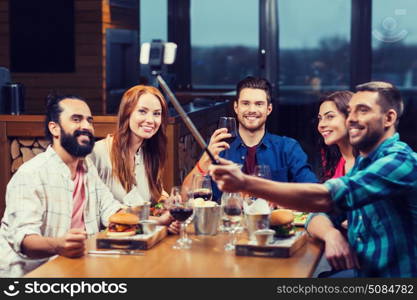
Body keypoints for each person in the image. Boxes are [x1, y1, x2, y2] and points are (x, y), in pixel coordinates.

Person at [210, 81, 417, 277]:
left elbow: (325, 197)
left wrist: (245, 183)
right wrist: (330, 233)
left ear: (389, 118)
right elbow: (318, 213)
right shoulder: (365, 163)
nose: (351, 118)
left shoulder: (400, 160)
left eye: (362, 110)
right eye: (350, 111)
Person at [0, 94, 123, 277]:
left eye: (89, 121)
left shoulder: (87, 167)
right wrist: (59, 245)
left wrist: (150, 220)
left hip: (78, 268)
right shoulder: (31, 174)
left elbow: (112, 211)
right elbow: (25, 240)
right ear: (54, 128)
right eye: (76, 119)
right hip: (32, 276)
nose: (86, 126)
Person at [183, 76, 317, 202]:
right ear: (236, 107)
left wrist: (279, 199)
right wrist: (206, 159)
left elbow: (313, 192)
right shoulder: (219, 148)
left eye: (259, 104)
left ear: (268, 109)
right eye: (246, 103)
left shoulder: (288, 148)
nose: (252, 110)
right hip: (226, 223)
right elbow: (185, 197)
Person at [89, 85, 179, 233]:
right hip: (107, 242)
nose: (151, 120)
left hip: (140, 239)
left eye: (157, 114)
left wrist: (164, 205)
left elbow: (155, 198)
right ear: (127, 113)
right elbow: (97, 209)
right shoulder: (98, 153)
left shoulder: (148, 153)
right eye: (142, 111)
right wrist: (157, 221)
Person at [306, 91, 359, 275]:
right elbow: (315, 216)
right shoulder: (341, 163)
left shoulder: (370, 163)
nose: (322, 125)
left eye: (330, 117)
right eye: (320, 118)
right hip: (350, 264)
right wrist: (331, 233)